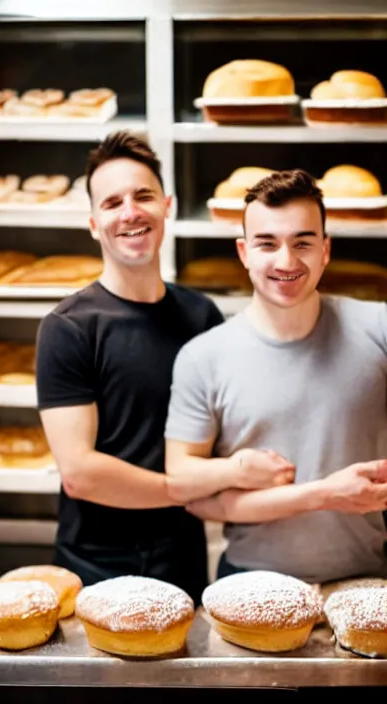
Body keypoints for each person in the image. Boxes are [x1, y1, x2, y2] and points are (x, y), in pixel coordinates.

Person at [35, 132, 293, 603]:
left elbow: (224, 432)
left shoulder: (201, 316)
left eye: (143, 196)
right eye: (112, 203)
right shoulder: (69, 327)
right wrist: (208, 479)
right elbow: (81, 473)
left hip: (184, 555)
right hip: (96, 562)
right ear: (95, 224)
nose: (130, 212)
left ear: (167, 206)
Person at [165, 168, 387, 585]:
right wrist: (322, 494)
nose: (286, 261)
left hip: (367, 583)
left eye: (302, 242)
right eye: (267, 244)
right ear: (244, 252)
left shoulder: (379, 329)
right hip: (250, 584)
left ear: (325, 250)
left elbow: (204, 498)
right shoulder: (203, 357)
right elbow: (183, 483)